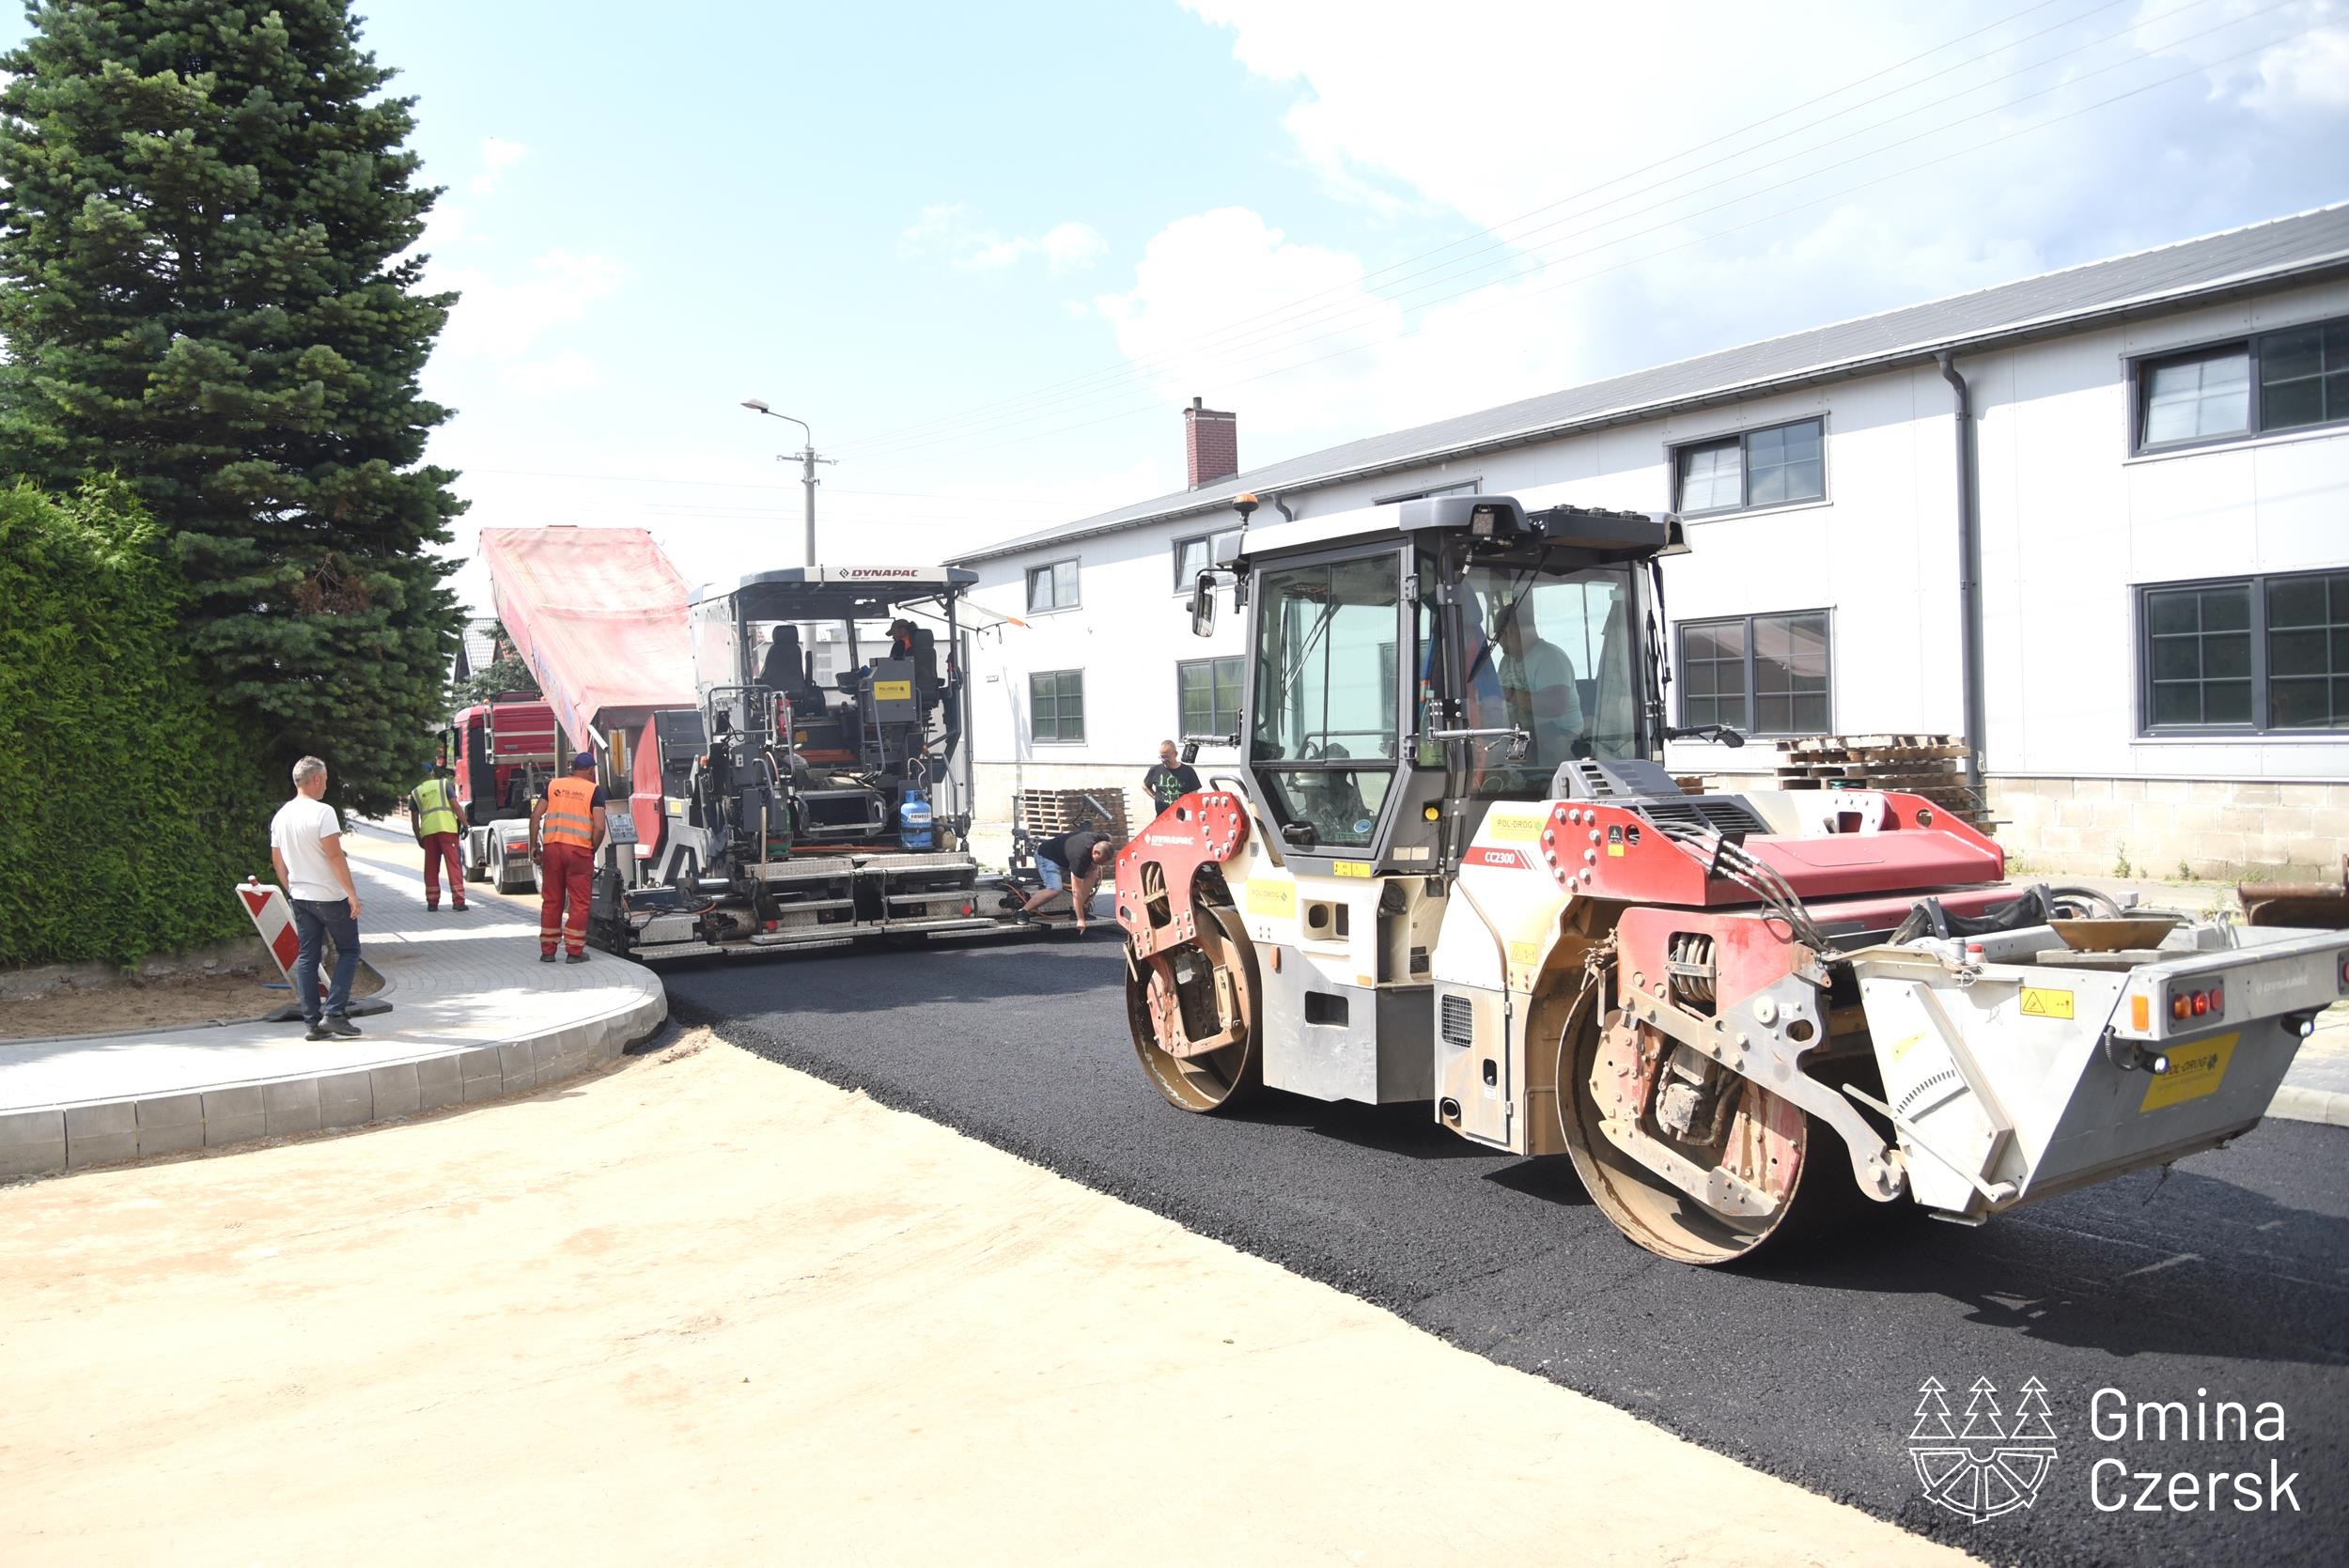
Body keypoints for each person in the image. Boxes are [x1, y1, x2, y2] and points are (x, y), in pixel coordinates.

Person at [269, 755, 364, 1041]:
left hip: (301, 895)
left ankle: (312, 1023)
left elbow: (277, 860)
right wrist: (351, 893)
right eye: (326, 779)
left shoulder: (282, 815)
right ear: (317, 779)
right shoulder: (323, 812)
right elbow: (334, 856)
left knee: (308, 957)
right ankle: (334, 1013)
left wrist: (292, 888)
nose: (326, 785)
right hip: (329, 895)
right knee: (349, 951)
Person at [530, 750, 608, 964]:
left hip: (553, 848)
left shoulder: (554, 785)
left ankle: (548, 950)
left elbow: (536, 815)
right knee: (579, 902)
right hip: (579, 851)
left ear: (573, 769)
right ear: (591, 770)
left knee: (552, 899)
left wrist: (534, 845)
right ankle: (574, 952)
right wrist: (592, 847)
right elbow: (600, 826)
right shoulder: (594, 791)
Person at [1496, 598, 1583, 767]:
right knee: (1505, 772)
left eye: (1499, 634)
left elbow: (1555, 706)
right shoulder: (1506, 662)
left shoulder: (1549, 658)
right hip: (1522, 735)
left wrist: (1509, 694)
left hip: (1560, 736)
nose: (1497, 641)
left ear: (1512, 632)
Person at [1021, 828, 1116, 933]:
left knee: (1094, 870)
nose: (1101, 864)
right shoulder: (1079, 858)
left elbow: (1109, 837)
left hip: (1063, 856)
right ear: (1096, 853)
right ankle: (1023, 912)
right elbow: (1076, 891)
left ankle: (1079, 908)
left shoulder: (1100, 839)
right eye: (1101, 861)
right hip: (1046, 857)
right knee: (1055, 889)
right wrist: (1080, 919)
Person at [409, 762, 467, 912]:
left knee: (431, 867)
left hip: (428, 833)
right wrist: (466, 824)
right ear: (432, 773)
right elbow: (456, 806)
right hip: (447, 829)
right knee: (453, 865)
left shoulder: (415, 793)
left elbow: (414, 821)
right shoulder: (444, 785)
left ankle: (432, 902)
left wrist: (418, 837)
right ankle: (458, 901)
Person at [1143, 739, 1201, 813]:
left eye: (1166, 757)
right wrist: (1156, 798)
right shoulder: (1155, 770)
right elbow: (1145, 786)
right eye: (1161, 757)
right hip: (1162, 818)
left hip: (1181, 816)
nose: (1164, 760)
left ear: (1175, 754)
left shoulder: (1188, 771)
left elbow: (1194, 794)